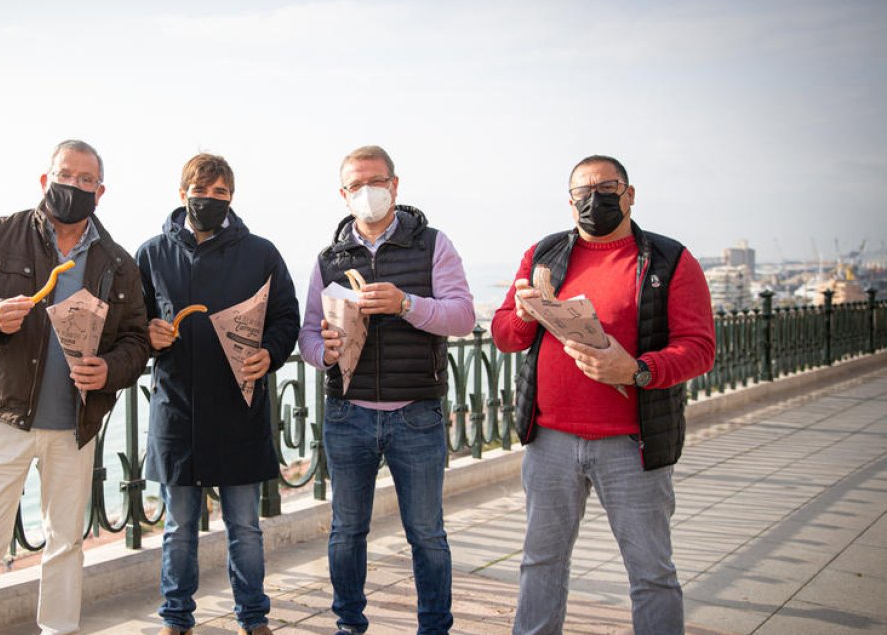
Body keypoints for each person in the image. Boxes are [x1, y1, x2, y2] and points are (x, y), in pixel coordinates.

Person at [0, 139, 150, 635]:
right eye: (64, 176)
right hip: (2, 418)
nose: (73, 186)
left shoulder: (117, 262)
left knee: (67, 542)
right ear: (44, 180)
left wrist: (110, 370)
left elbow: (137, 339)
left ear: (101, 191)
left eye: (85, 180)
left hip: (75, 424)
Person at [492, 155, 715, 634]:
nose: (594, 200)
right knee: (540, 564)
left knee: (651, 572)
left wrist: (636, 369)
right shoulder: (544, 253)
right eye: (582, 193)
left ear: (629, 194)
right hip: (549, 440)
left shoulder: (669, 259)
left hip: (630, 444)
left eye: (606, 188)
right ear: (570, 204)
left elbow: (699, 349)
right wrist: (524, 315)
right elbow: (505, 336)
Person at [298, 145, 475, 635]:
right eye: (355, 185)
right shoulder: (328, 258)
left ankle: (434, 628)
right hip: (347, 414)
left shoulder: (433, 245)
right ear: (343, 194)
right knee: (347, 532)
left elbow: (462, 316)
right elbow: (308, 335)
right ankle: (349, 626)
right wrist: (326, 352)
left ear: (395, 185)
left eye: (375, 182)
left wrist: (405, 304)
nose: (366, 193)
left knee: (427, 535)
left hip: (416, 413)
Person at [137, 153, 300, 635]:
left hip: (239, 409)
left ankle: (254, 617)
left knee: (245, 528)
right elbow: (130, 325)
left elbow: (286, 317)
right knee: (178, 529)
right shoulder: (150, 253)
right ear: (181, 192)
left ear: (232, 197)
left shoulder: (262, 253)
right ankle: (176, 618)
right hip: (176, 411)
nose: (210, 200)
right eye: (201, 191)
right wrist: (149, 333)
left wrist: (269, 353)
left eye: (221, 193)